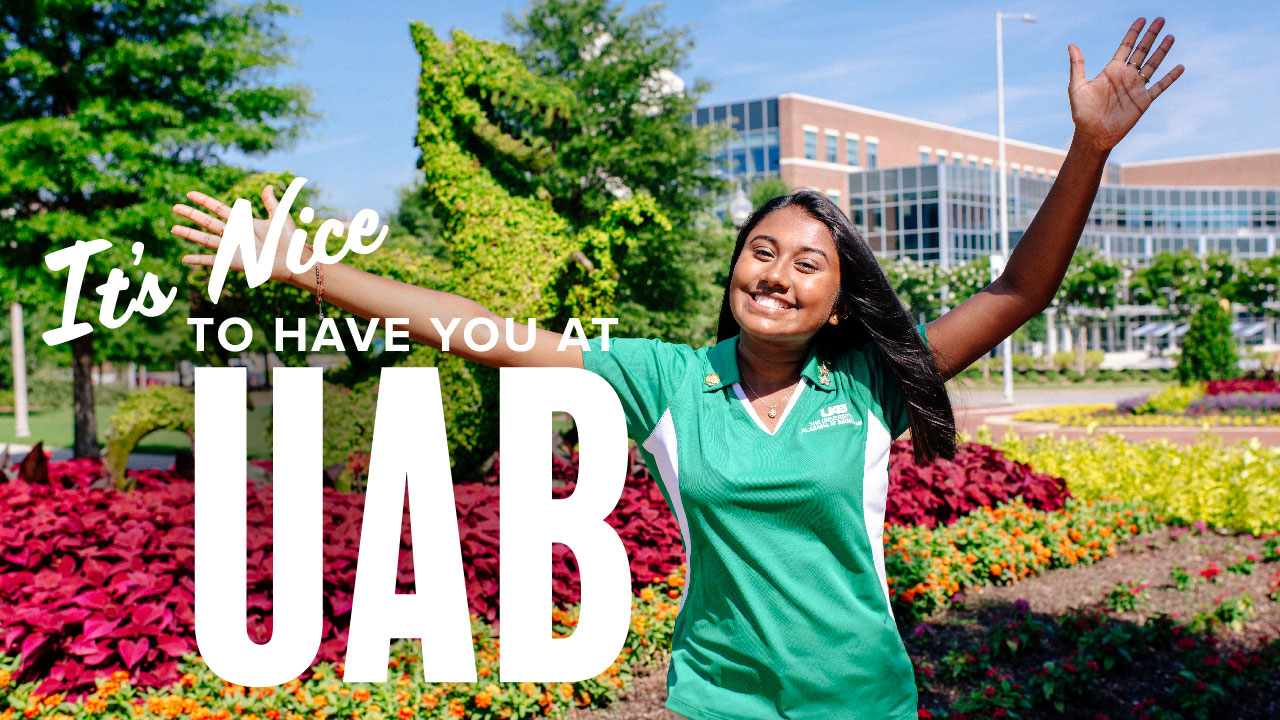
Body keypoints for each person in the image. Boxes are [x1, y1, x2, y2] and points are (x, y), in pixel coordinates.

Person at [172, 17, 1181, 720]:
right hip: (721, 698)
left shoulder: (865, 383)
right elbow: (476, 328)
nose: (776, 275)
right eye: (761, 251)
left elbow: (1015, 294)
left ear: (838, 297)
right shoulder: (661, 379)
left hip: (859, 702)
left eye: (807, 264)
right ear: (733, 266)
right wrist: (305, 267)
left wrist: (1086, 147)